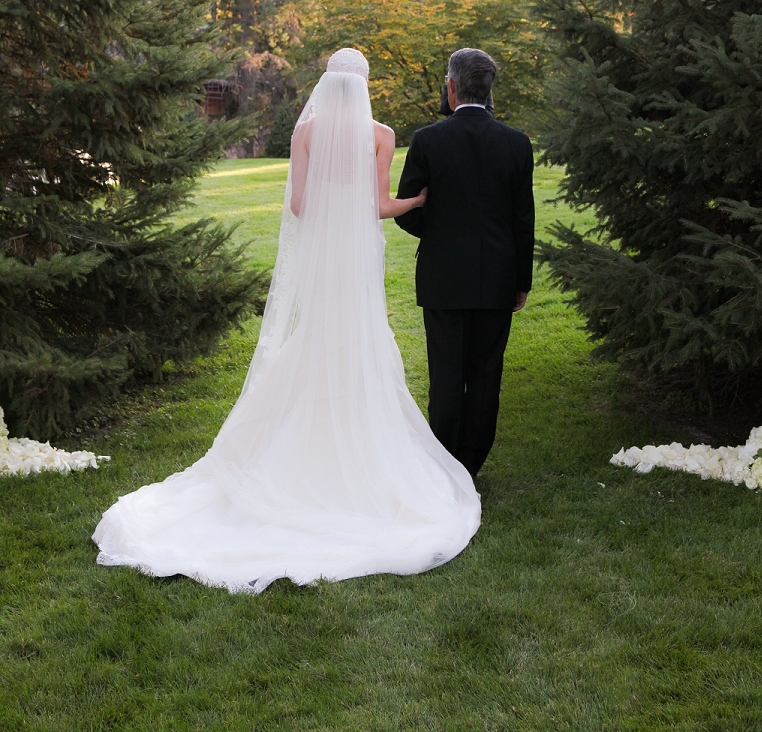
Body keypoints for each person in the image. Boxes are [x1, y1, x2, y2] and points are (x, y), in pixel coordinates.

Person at [93, 49, 480, 593]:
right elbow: (378, 205)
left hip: (323, 255)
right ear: (363, 85)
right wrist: (415, 200)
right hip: (356, 256)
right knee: (359, 339)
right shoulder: (382, 133)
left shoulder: (308, 133)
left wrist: (331, 206)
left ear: (327, 84)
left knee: (317, 336)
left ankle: (297, 439)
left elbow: (299, 205)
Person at [395, 48, 534, 478]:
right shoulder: (516, 143)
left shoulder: (427, 140)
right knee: (486, 372)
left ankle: (444, 466)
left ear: (451, 88)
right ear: (489, 90)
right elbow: (522, 219)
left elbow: (408, 207)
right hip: (497, 276)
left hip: (443, 276)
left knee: (447, 374)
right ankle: (470, 465)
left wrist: (438, 233)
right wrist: (522, 282)